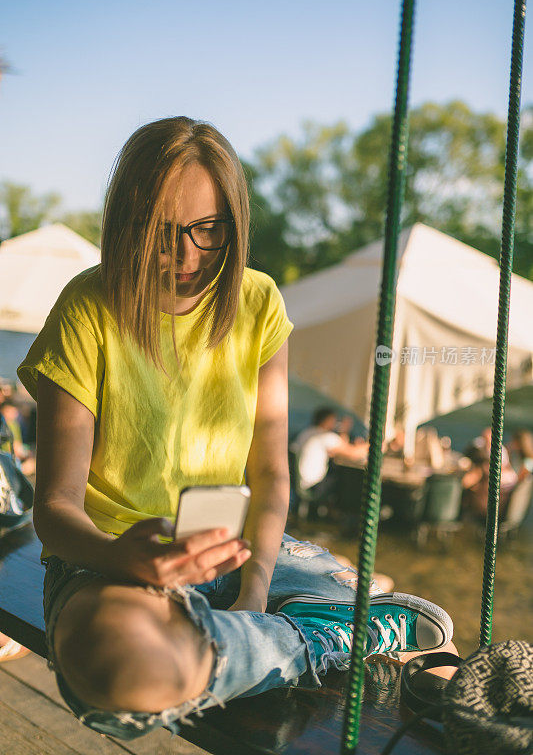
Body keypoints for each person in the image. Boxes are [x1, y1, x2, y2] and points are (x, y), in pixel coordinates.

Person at [17, 117, 454, 741]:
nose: (188, 257)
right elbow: (54, 507)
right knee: (114, 670)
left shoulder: (257, 302)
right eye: (163, 235)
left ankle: (270, 636)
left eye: (209, 231)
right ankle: (318, 636)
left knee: (440, 651)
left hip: (239, 548)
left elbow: (272, 473)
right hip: (105, 562)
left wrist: (252, 594)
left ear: (234, 226)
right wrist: (122, 555)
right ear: (126, 229)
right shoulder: (87, 309)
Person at [291, 407, 368, 507]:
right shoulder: (326, 436)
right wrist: (374, 444)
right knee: (349, 478)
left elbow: (341, 448)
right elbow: (353, 454)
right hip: (313, 487)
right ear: (328, 420)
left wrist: (344, 432)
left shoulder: (306, 432)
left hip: (299, 484)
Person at [462, 427, 517, 519]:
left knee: (468, 486)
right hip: (501, 506)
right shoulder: (484, 448)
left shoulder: (499, 452)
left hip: (492, 510)